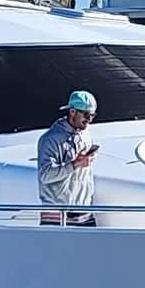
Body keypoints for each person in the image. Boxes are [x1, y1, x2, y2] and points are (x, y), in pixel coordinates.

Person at [38, 91, 98, 226]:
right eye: (86, 115)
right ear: (72, 112)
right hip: (57, 215)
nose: (89, 119)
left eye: (93, 115)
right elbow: (45, 175)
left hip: (84, 211)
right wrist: (75, 164)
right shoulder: (50, 139)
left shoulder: (86, 133)